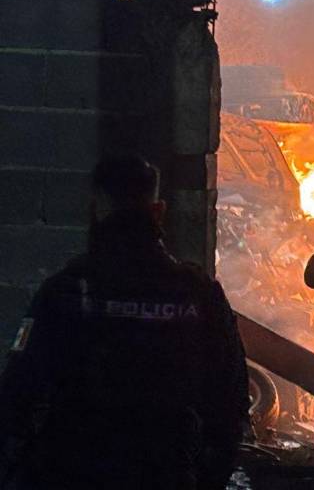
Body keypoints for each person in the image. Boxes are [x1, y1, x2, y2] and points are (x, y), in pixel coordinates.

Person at [0, 155, 250, 490]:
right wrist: (209, 475)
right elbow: (230, 397)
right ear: (158, 210)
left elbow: (19, 389)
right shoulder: (197, 293)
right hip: (165, 472)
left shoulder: (66, 290)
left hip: (73, 470)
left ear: (97, 208)